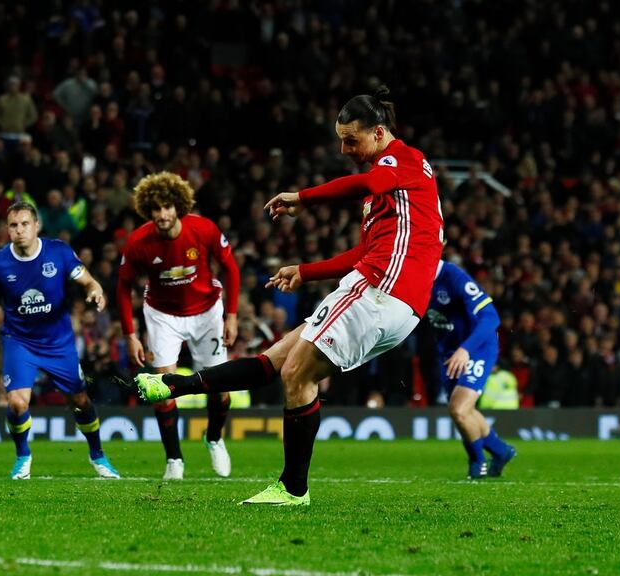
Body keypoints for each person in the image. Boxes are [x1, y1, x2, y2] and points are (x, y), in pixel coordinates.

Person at [135, 87, 443, 505]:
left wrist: (303, 197)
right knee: (277, 359)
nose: (344, 148)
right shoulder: (391, 193)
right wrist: (306, 272)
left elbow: (369, 184)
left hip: (383, 290)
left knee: (296, 373)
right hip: (383, 289)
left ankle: (293, 488)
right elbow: (366, 251)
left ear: (378, 132)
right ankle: (175, 385)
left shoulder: (400, 162)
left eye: (351, 139)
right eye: (340, 138)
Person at [0, 201, 120, 480]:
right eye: (13, 225)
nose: (19, 230)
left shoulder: (58, 252)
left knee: (80, 400)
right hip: (19, 341)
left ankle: (97, 455)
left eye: (25, 224)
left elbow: (88, 281)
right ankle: (23, 455)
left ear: (36, 226)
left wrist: (96, 291)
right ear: (7, 230)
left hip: (59, 342)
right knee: (16, 403)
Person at [116, 171, 240, 480]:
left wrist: (232, 315)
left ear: (179, 206)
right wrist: (130, 335)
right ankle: (174, 459)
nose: (162, 214)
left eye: (167, 207)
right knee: (163, 389)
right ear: (148, 210)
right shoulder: (138, 242)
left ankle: (214, 439)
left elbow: (231, 268)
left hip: (207, 312)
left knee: (220, 390)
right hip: (162, 316)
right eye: (155, 209)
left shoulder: (204, 229)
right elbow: (122, 286)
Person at [426, 259, 517, 478]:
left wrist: (466, 349)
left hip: (475, 347)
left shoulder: (454, 277)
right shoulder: (411, 278)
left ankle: (477, 463)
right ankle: (500, 450)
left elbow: (491, 317)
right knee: (464, 411)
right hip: (449, 351)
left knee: (458, 409)